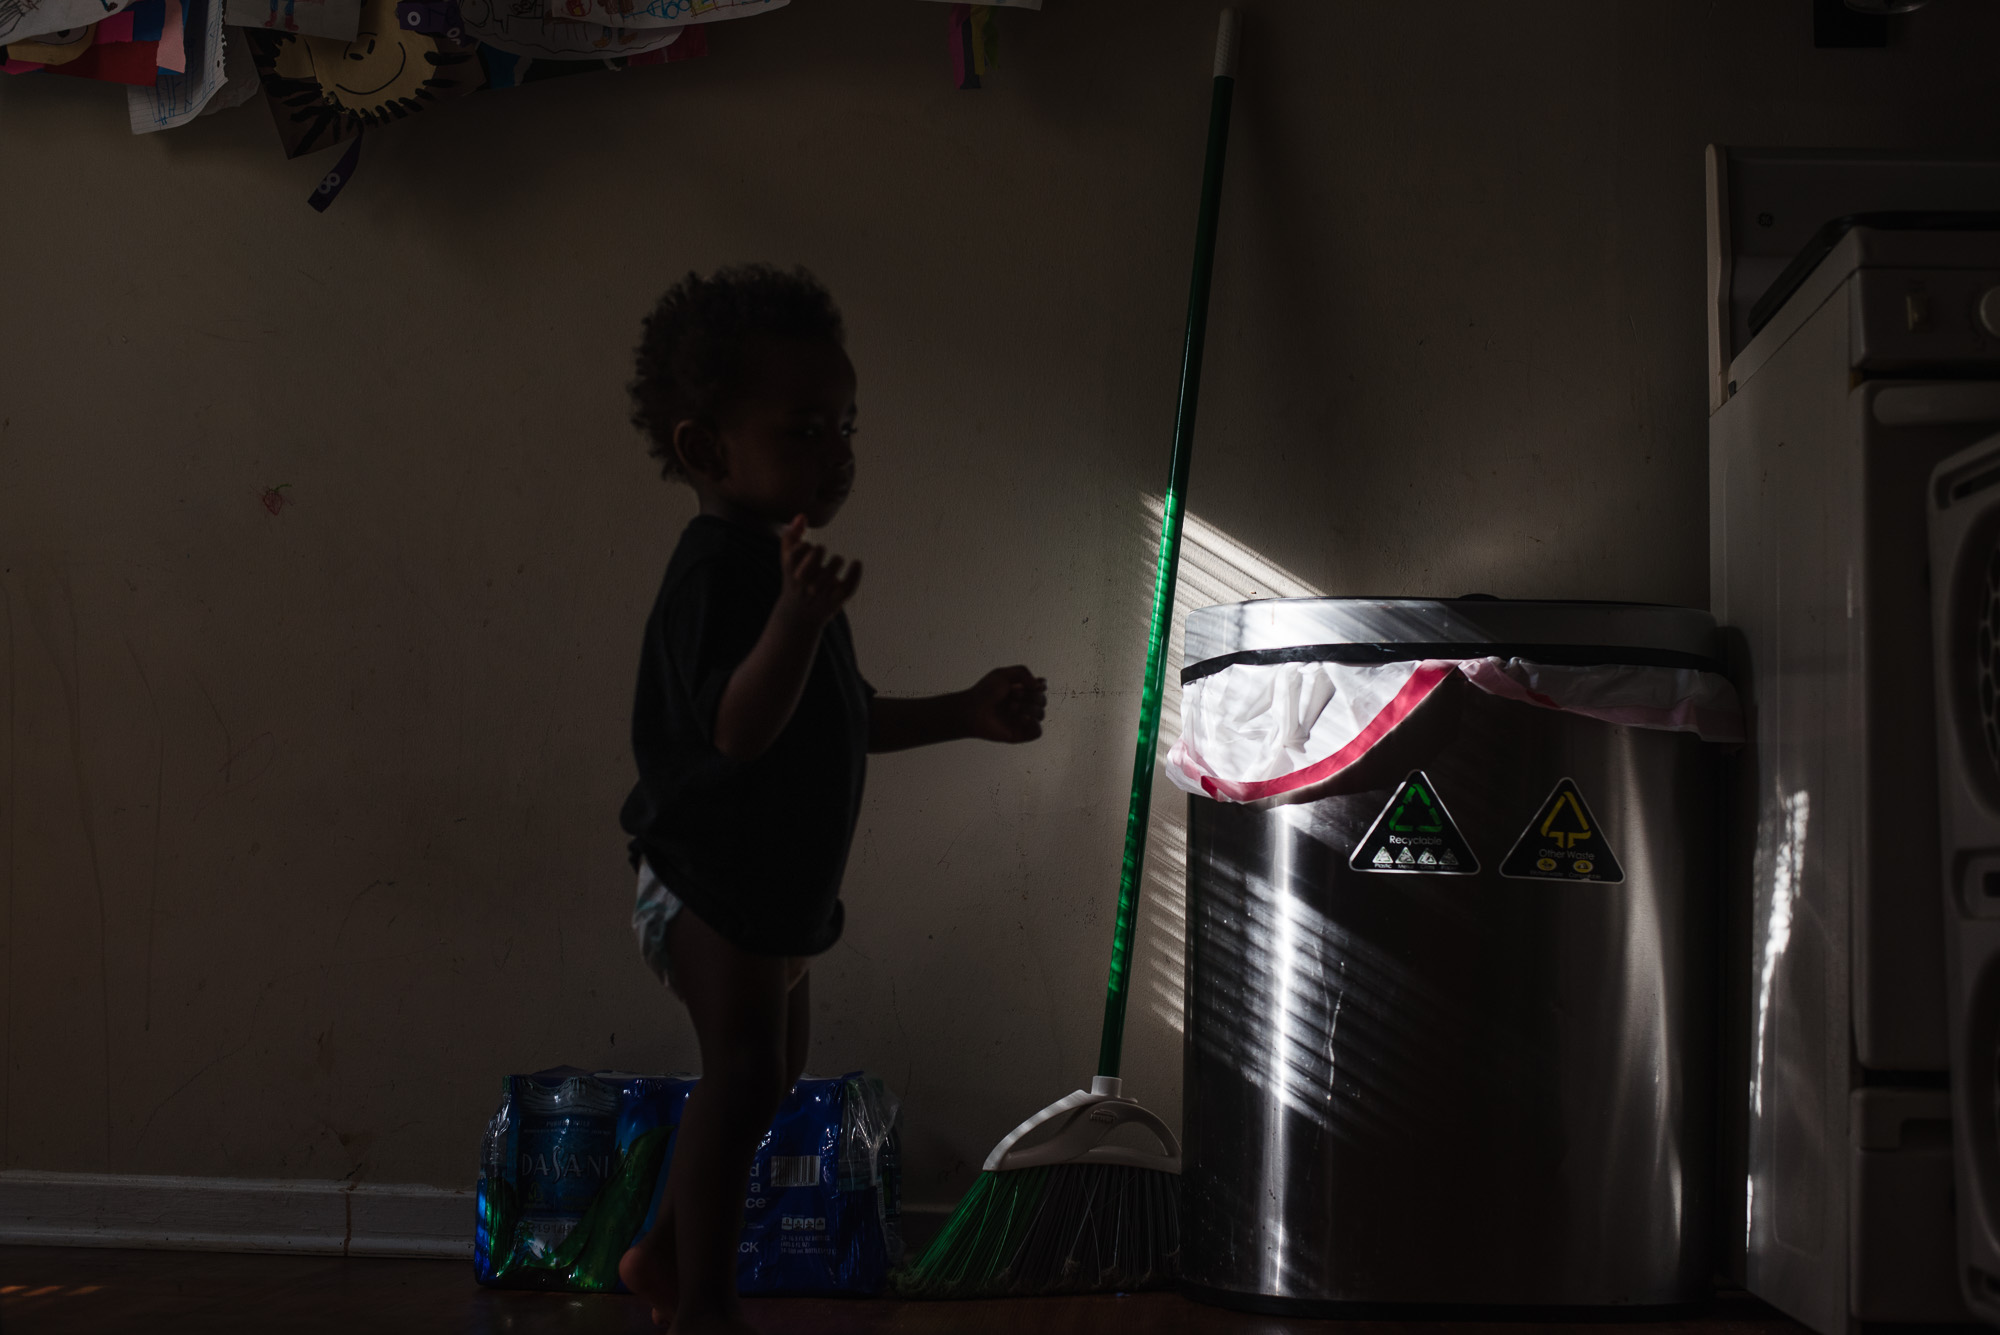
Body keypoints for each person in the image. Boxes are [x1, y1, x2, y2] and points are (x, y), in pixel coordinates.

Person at [615, 265, 1046, 1333]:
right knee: (747, 1073)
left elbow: (839, 717)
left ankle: (662, 1260)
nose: (838, 450)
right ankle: (700, 1302)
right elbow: (737, 730)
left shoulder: (785, 568)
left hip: (775, 894)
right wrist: (796, 623)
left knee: (770, 1071)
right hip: (706, 880)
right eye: (804, 428)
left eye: (845, 423)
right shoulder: (722, 574)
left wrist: (963, 712)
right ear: (706, 451)